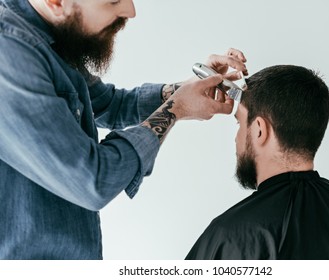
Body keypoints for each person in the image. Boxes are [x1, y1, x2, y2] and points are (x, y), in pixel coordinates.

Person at [0, 0, 248, 259]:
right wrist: (175, 109)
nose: (131, 11)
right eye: (114, 1)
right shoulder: (9, 53)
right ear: (56, 2)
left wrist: (187, 88)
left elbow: (109, 104)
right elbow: (93, 180)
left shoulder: (50, 30)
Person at [185, 65, 329, 260]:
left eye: (240, 123)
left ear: (260, 130)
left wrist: (177, 103)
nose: (236, 138)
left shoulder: (230, 234)